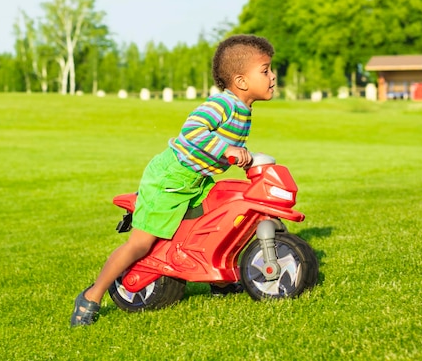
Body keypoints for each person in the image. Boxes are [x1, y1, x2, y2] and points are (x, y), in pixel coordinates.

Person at [71, 34, 277, 326]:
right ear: (241, 81)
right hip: (171, 178)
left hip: (197, 180)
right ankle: (92, 295)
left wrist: (245, 160)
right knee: (140, 245)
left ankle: (219, 282)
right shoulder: (222, 105)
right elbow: (191, 132)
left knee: (216, 222)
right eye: (266, 70)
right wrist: (228, 149)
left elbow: (221, 153)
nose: (272, 77)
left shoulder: (244, 110)